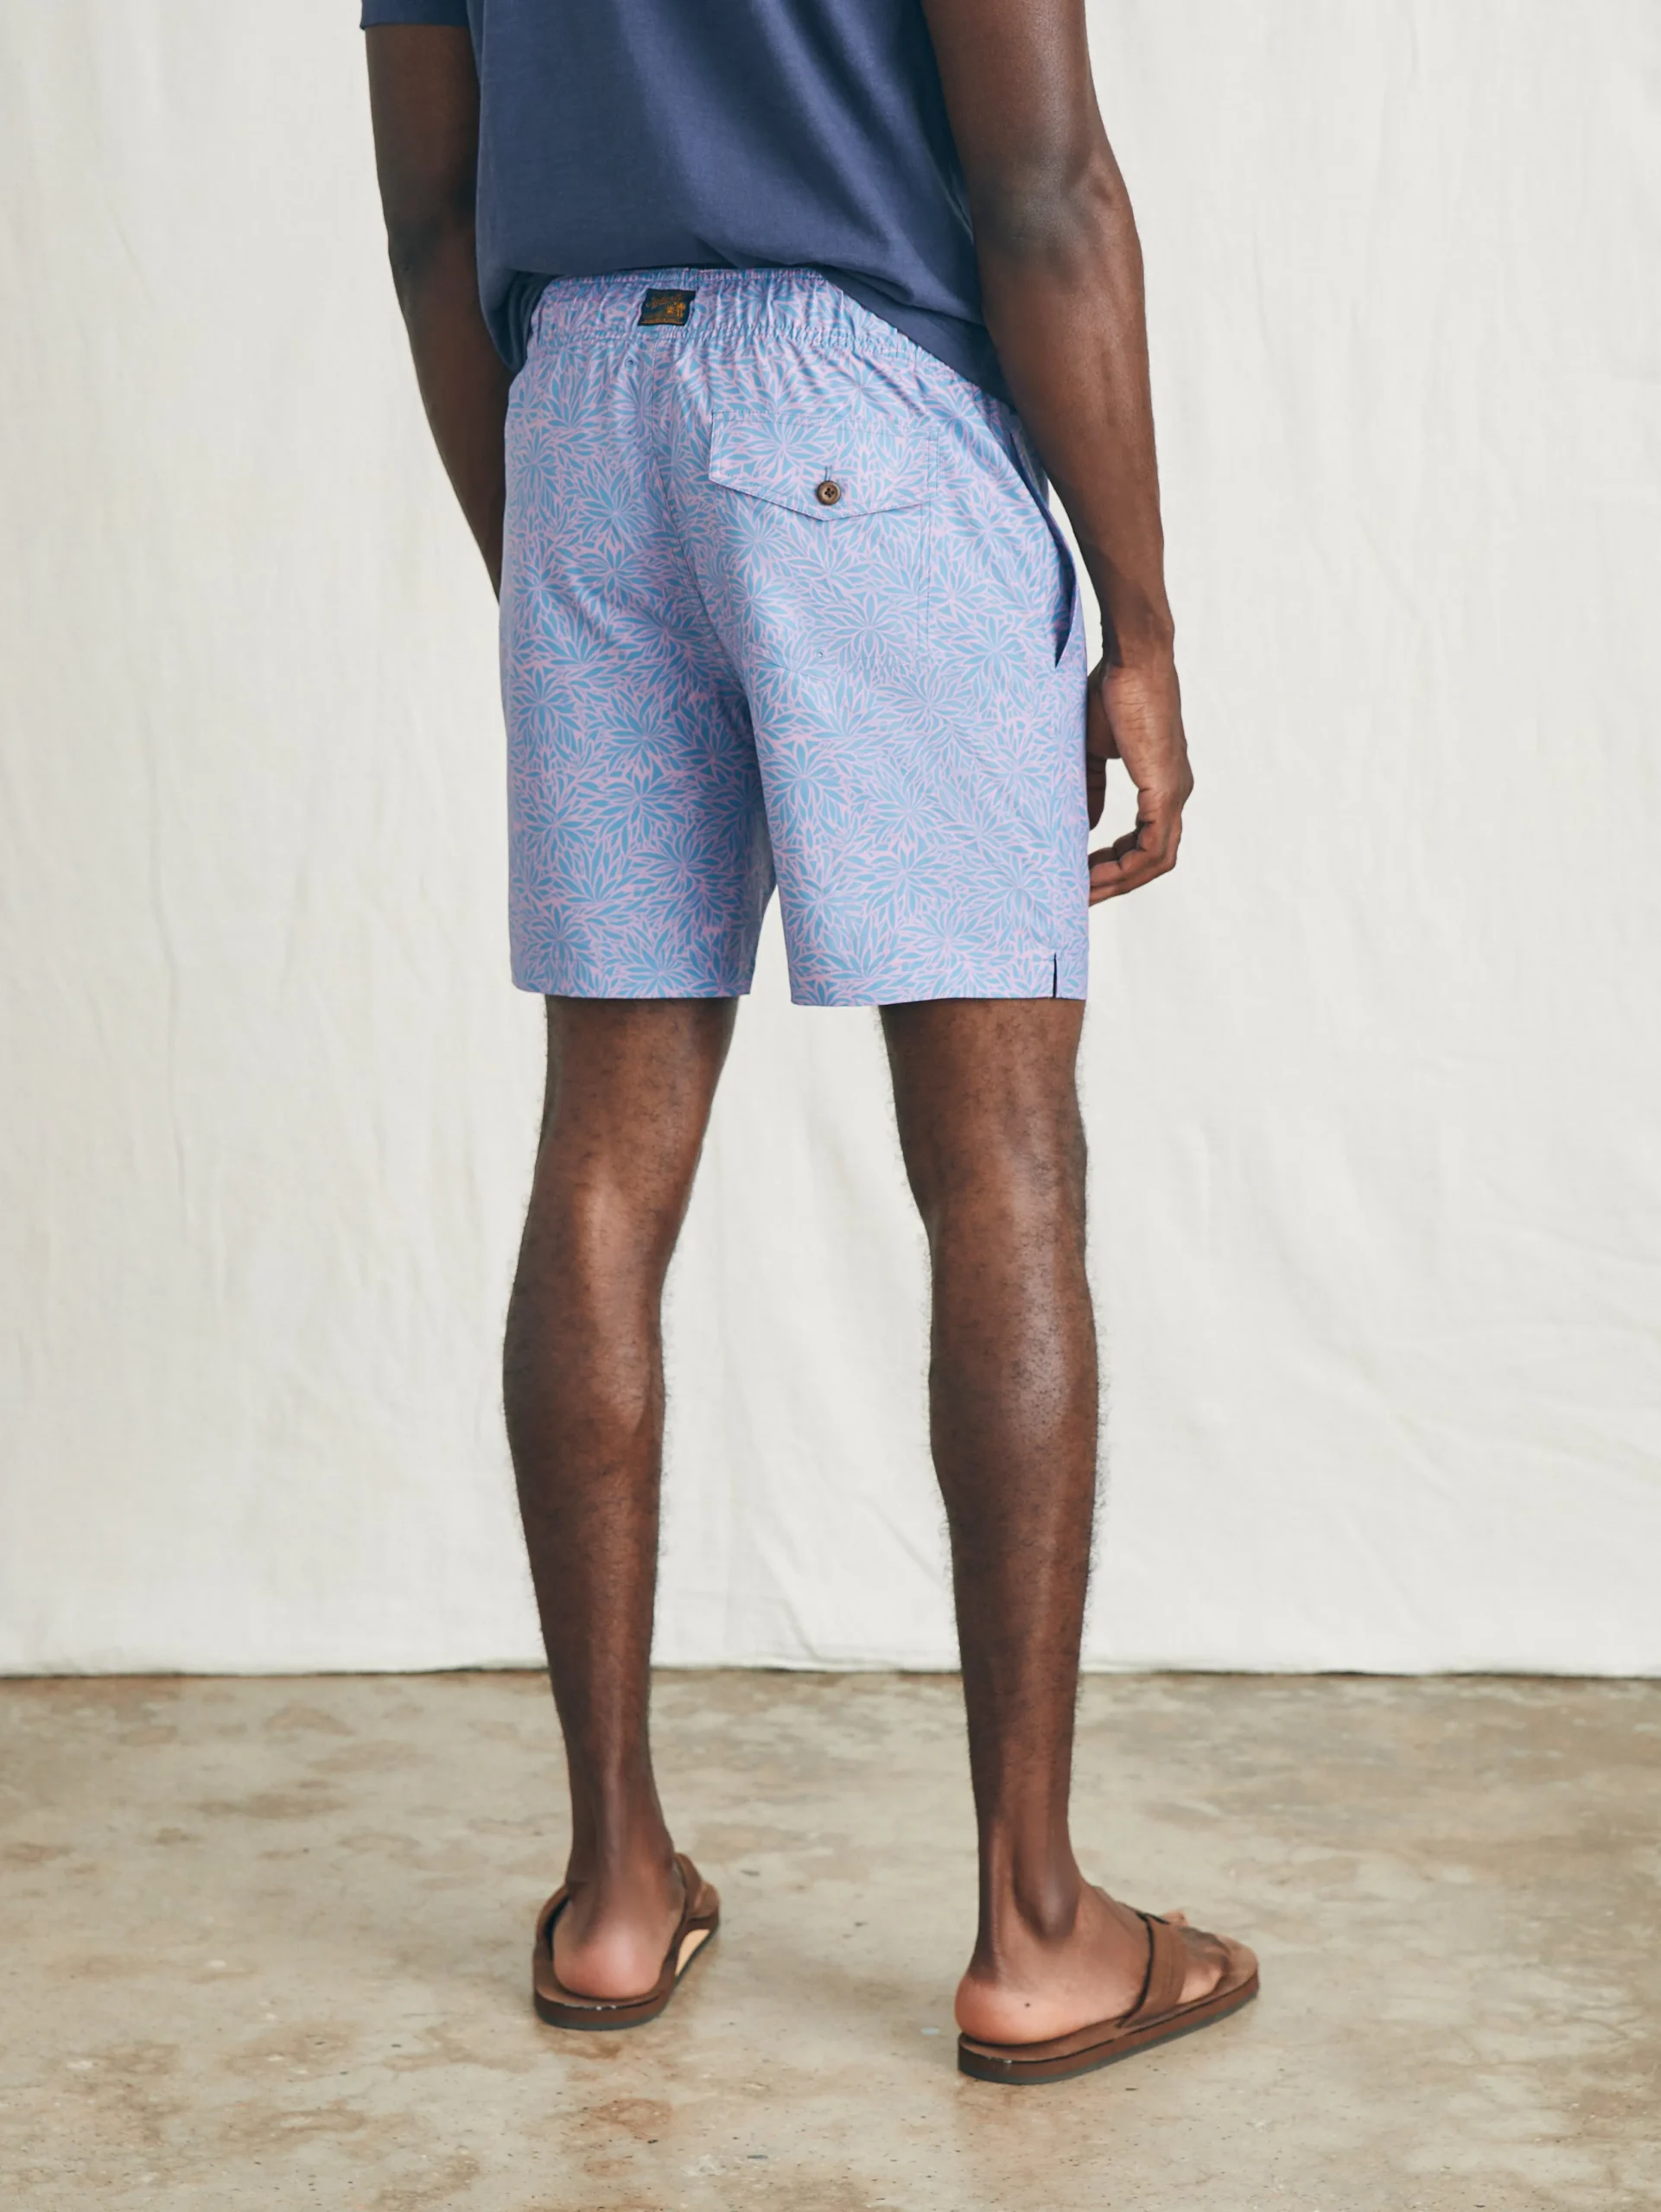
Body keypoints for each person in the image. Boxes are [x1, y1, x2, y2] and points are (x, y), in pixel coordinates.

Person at [362, 0, 1256, 2085]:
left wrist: (559, 537)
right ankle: (1036, 1928)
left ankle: (610, 1890)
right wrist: (1139, 621)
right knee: (997, 1160)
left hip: (574, 405)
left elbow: (428, 213)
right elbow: (1044, 185)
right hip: (868, 410)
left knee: (603, 1159)